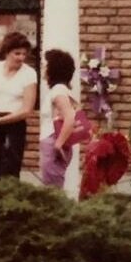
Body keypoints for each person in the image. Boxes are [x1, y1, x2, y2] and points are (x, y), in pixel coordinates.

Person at [0, 32, 38, 180]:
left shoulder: (29, 73)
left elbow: (27, 109)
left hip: (14, 123)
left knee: (10, 166)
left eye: (24, 54)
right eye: (17, 53)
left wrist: (0, 121)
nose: (21, 57)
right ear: (7, 52)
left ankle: (8, 202)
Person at [40, 49, 81, 189]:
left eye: (45, 65)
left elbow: (70, 117)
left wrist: (58, 143)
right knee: (52, 188)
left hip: (53, 143)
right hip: (53, 142)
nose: (43, 68)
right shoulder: (61, 89)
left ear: (54, 69)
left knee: (52, 192)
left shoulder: (58, 90)